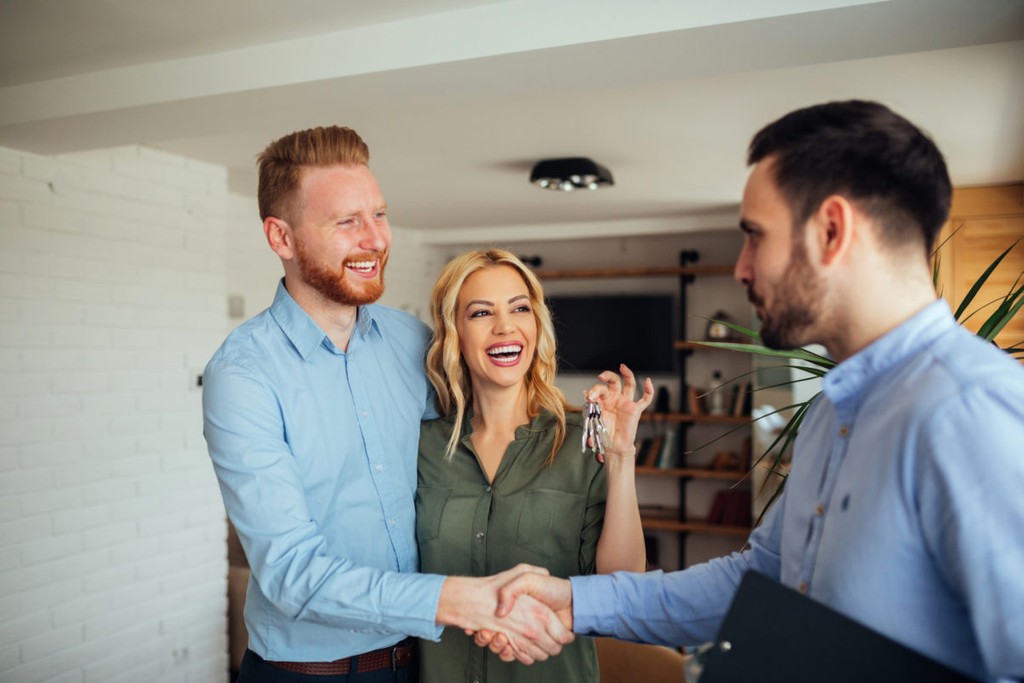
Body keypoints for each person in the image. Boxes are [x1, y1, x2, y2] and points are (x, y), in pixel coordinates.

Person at [484, 100, 1024, 682]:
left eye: (753, 236)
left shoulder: (969, 410)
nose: (741, 269)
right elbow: (762, 580)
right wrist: (576, 599)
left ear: (832, 231)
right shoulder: (830, 413)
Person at [202, 126, 571, 682]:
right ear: (281, 237)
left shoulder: (413, 342)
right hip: (307, 673)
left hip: (421, 661)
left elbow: (472, 468)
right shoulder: (242, 375)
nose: (375, 239)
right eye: (346, 222)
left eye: (378, 214)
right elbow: (290, 574)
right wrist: (463, 601)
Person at [416, 249, 652, 682]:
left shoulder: (584, 439)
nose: (505, 326)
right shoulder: (422, 448)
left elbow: (622, 585)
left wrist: (620, 460)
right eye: (481, 312)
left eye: (519, 308)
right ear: (455, 334)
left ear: (536, 324)